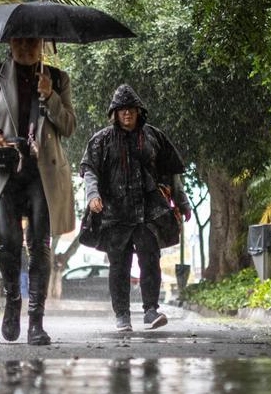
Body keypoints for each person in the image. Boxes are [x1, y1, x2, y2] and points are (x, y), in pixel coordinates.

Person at [0, 37, 76, 346]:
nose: (26, 49)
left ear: (41, 45)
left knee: (39, 244)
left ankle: (36, 321)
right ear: (10, 44)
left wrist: (50, 96)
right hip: (4, 171)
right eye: (20, 42)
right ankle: (12, 303)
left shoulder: (58, 78)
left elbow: (68, 126)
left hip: (43, 174)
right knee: (8, 241)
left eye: (32, 43)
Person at [81, 84, 191, 332]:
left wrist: (182, 201)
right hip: (114, 213)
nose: (127, 114)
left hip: (148, 211)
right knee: (119, 264)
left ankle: (151, 311)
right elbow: (89, 171)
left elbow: (172, 174)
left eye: (131, 109)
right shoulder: (101, 140)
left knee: (150, 259)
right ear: (115, 113)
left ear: (139, 111)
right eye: (122, 110)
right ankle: (122, 315)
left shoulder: (154, 137)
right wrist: (93, 195)